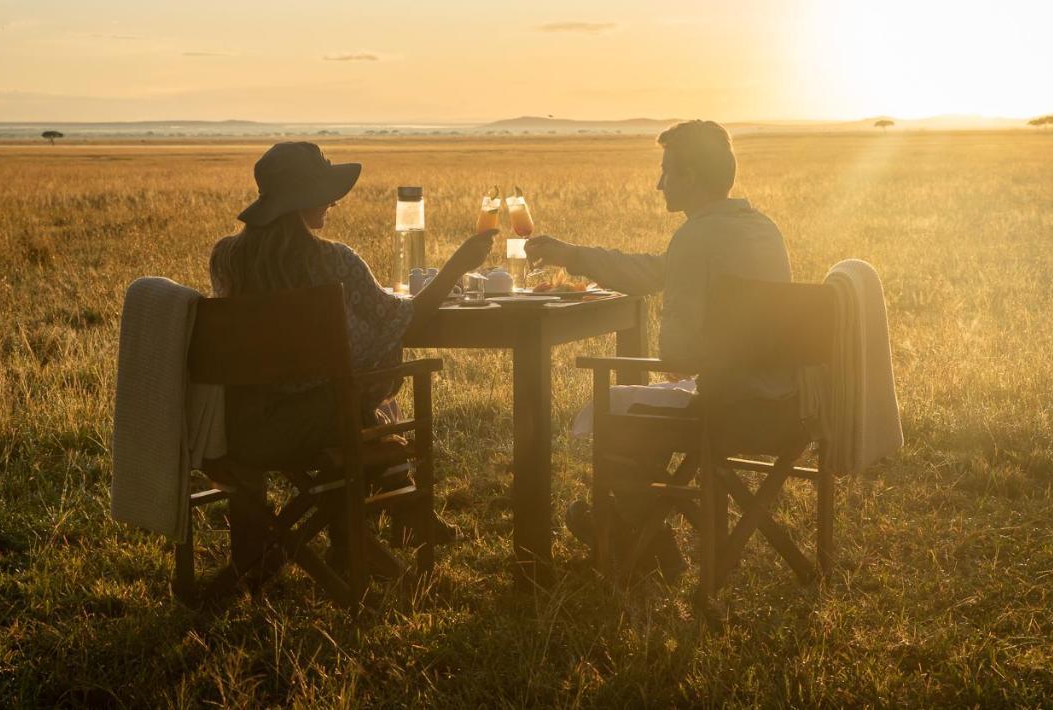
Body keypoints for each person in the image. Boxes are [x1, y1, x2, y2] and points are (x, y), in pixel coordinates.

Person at [524, 120, 797, 580]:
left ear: (691, 177)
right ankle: (640, 539)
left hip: (728, 406)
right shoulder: (760, 227)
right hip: (784, 401)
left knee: (616, 411)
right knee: (642, 410)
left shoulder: (696, 237)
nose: (658, 182)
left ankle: (638, 541)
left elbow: (677, 352)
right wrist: (571, 254)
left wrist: (683, 363)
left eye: (667, 171)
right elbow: (657, 271)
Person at [208, 141, 495, 572]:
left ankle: (350, 541)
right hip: (311, 426)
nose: (334, 202)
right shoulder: (334, 261)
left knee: (353, 391)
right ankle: (365, 539)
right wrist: (457, 267)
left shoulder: (226, 257)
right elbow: (405, 322)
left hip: (237, 428)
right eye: (325, 193)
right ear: (303, 200)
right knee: (362, 394)